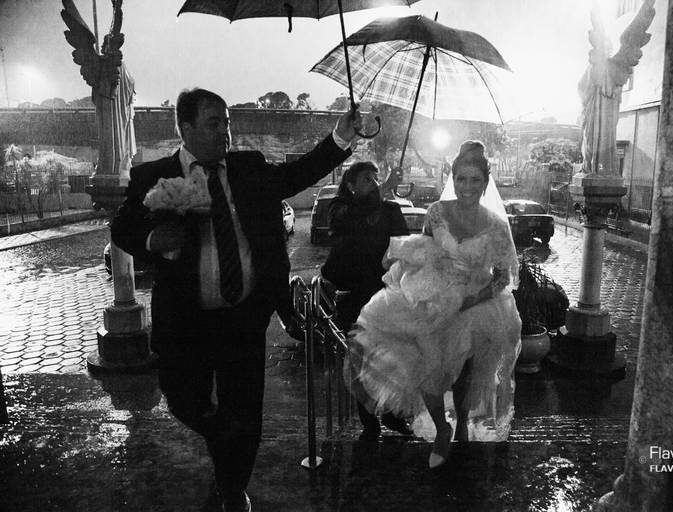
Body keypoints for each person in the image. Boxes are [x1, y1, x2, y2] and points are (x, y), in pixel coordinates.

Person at [110, 88, 360, 512]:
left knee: (246, 414)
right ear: (185, 128)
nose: (225, 133)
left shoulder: (249, 168)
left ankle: (231, 486)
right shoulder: (154, 175)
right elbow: (123, 228)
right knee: (182, 396)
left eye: (227, 123)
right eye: (214, 123)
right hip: (185, 321)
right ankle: (220, 429)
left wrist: (340, 137)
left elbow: (299, 173)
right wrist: (153, 238)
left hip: (244, 317)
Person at [345, 141, 522, 469]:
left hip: (478, 301)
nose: (467, 186)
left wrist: (471, 300)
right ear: (452, 179)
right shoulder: (437, 211)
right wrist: (414, 267)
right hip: (436, 294)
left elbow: (502, 278)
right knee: (428, 365)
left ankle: (463, 425)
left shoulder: (496, 225)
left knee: (465, 373)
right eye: (461, 178)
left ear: (486, 182)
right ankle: (443, 428)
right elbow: (425, 249)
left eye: (475, 180)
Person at [320, 161, 413, 441]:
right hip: (354, 295)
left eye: (376, 178)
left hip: (385, 294)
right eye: (367, 179)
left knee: (392, 358)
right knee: (361, 362)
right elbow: (350, 221)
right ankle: (369, 421)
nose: (374, 183)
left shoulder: (390, 210)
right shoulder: (339, 208)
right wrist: (384, 188)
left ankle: (393, 413)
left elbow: (402, 248)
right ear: (351, 186)